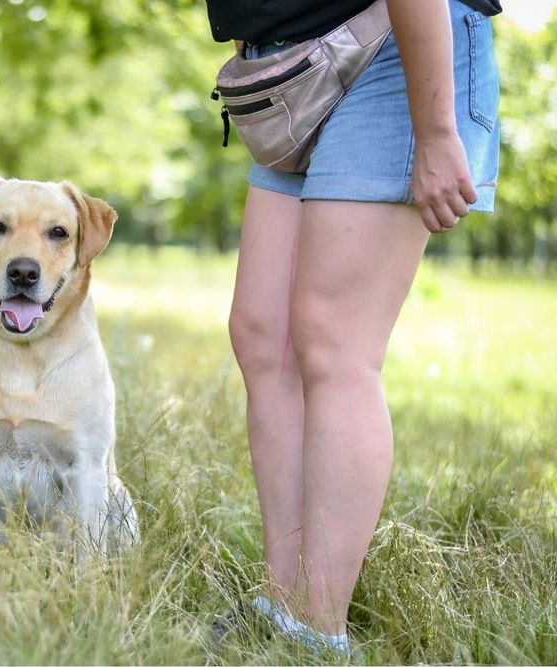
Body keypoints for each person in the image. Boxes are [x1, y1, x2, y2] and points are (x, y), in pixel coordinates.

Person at [205, 0, 502, 656]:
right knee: (263, 334)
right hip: (292, 64)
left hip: (400, 46)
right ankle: (283, 600)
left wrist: (435, 130)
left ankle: (317, 627)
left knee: (333, 340)